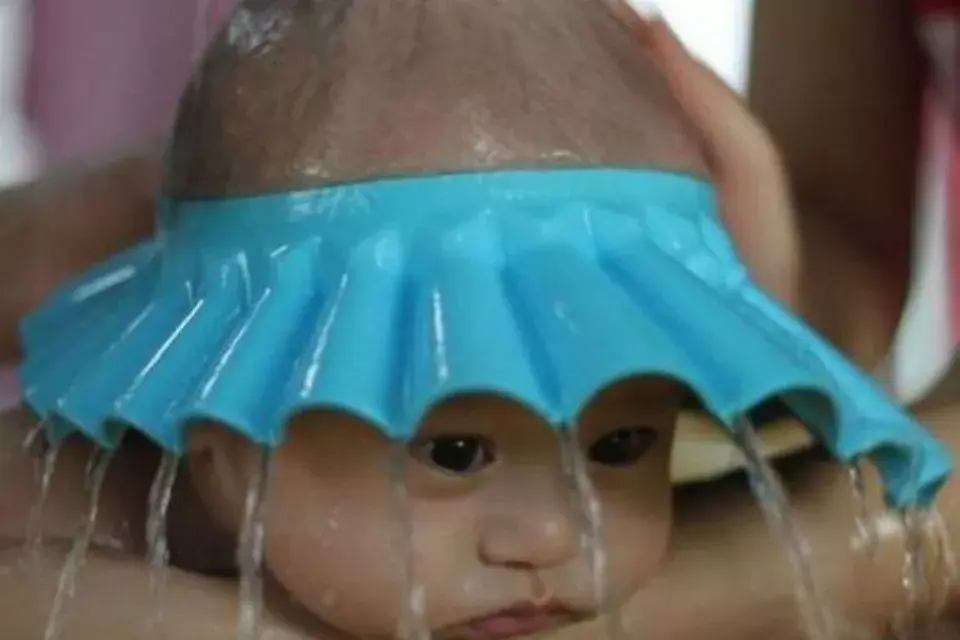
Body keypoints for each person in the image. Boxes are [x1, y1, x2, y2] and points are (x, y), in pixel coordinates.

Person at [0, 4, 954, 640]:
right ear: (220, 441)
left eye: (622, 444)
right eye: (455, 452)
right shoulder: (73, 503)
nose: (554, 534)